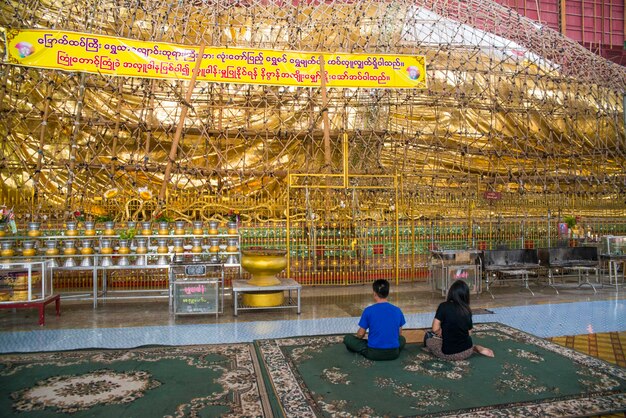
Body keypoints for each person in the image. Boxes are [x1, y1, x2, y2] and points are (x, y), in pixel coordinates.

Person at [424, 280, 494, 360]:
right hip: (467, 351)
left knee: (429, 341)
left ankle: (476, 348)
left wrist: (441, 333)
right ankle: (475, 348)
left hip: (449, 354)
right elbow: (469, 332)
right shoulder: (467, 310)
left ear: (451, 292)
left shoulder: (443, 306)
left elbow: (435, 329)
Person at [343, 279, 406, 361]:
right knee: (402, 339)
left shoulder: (368, 310)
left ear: (374, 293)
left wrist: (359, 339)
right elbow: (399, 333)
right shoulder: (397, 310)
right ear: (387, 293)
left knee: (348, 338)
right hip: (394, 353)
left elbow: (360, 334)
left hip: (373, 353)